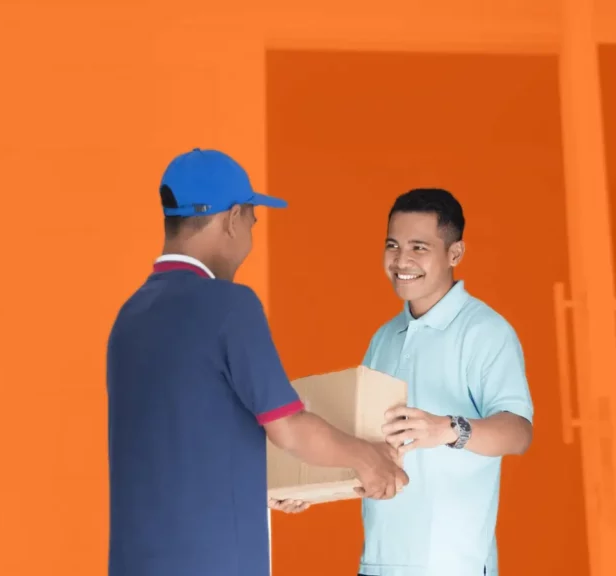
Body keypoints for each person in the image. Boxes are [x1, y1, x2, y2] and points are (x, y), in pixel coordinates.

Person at [106, 148, 409, 576]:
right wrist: (369, 458)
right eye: (253, 217)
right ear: (232, 219)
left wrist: (255, 488)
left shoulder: (131, 317)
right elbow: (288, 428)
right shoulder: (229, 305)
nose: (251, 229)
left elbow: (178, 440)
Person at [275, 188, 535, 575]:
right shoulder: (384, 338)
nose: (402, 261)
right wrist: (307, 487)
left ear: (455, 254)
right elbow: (360, 442)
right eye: (393, 246)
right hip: (378, 562)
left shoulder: (485, 331)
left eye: (419, 247)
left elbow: (518, 432)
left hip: (451, 564)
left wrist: (447, 429)